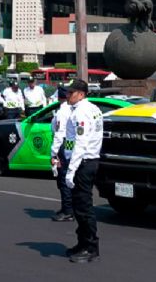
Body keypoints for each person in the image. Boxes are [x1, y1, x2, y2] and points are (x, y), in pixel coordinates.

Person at [59, 79, 103, 263]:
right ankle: (82, 242)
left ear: (82, 94)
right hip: (87, 161)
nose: (67, 95)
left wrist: (71, 170)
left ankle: (90, 247)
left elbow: (80, 144)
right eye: (67, 92)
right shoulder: (90, 109)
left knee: (84, 207)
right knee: (79, 206)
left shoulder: (82, 113)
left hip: (83, 163)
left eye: (71, 92)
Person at [49, 86, 74, 222]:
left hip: (62, 145)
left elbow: (59, 134)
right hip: (70, 145)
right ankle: (68, 208)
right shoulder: (71, 109)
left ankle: (67, 211)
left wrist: (54, 153)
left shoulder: (62, 112)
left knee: (63, 178)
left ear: (59, 97)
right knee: (68, 177)